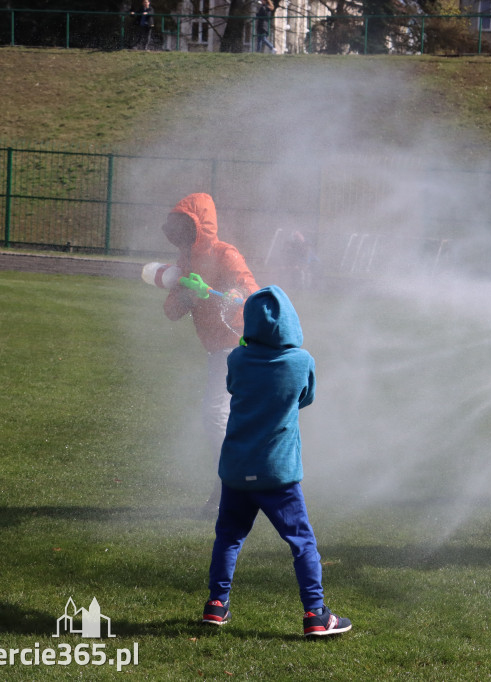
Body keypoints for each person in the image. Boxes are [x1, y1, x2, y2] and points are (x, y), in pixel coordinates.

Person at [201, 285, 352, 637]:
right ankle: (316, 613)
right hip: (277, 472)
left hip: (236, 469)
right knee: (302, 542)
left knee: (228, 537)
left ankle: (216, 605)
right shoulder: (302, 361)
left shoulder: (237, 359)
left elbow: (234, 386)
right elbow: (305, 398)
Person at [160, 193, 259, 514]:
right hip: (219, 349)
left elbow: (252, 289)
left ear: (200, 226)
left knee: (215, 414)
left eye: (187, 226)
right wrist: (187, 297)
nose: (181, 235)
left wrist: (235, 292)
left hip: (239, 342)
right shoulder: (184, 264)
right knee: (229, 416)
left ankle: (236, 482)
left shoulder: (224, 253)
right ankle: (231, 485)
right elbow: (171, 310)